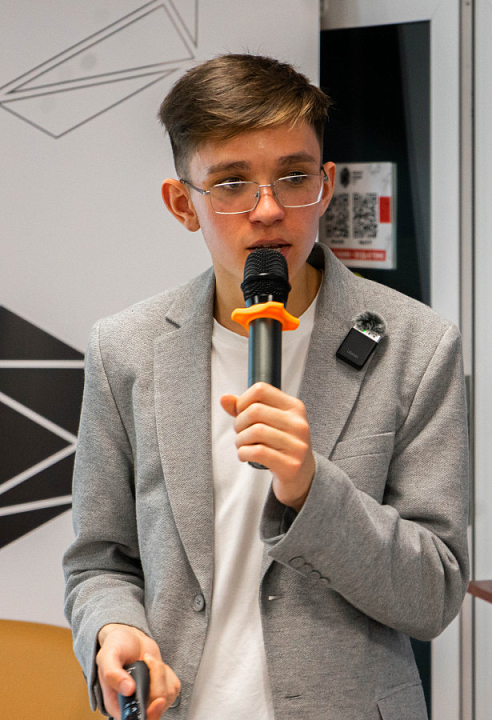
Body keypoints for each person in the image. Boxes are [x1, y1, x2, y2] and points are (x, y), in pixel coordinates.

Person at [63, 54, 469, 720]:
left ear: (327, 185)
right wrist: (113, 630)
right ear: (183, 204)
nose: (269, 209)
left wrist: (312, 489)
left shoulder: (416, 345)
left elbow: (435, 595)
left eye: (294, 177)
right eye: (231, 184)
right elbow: (99, 562)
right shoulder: (125, 350)